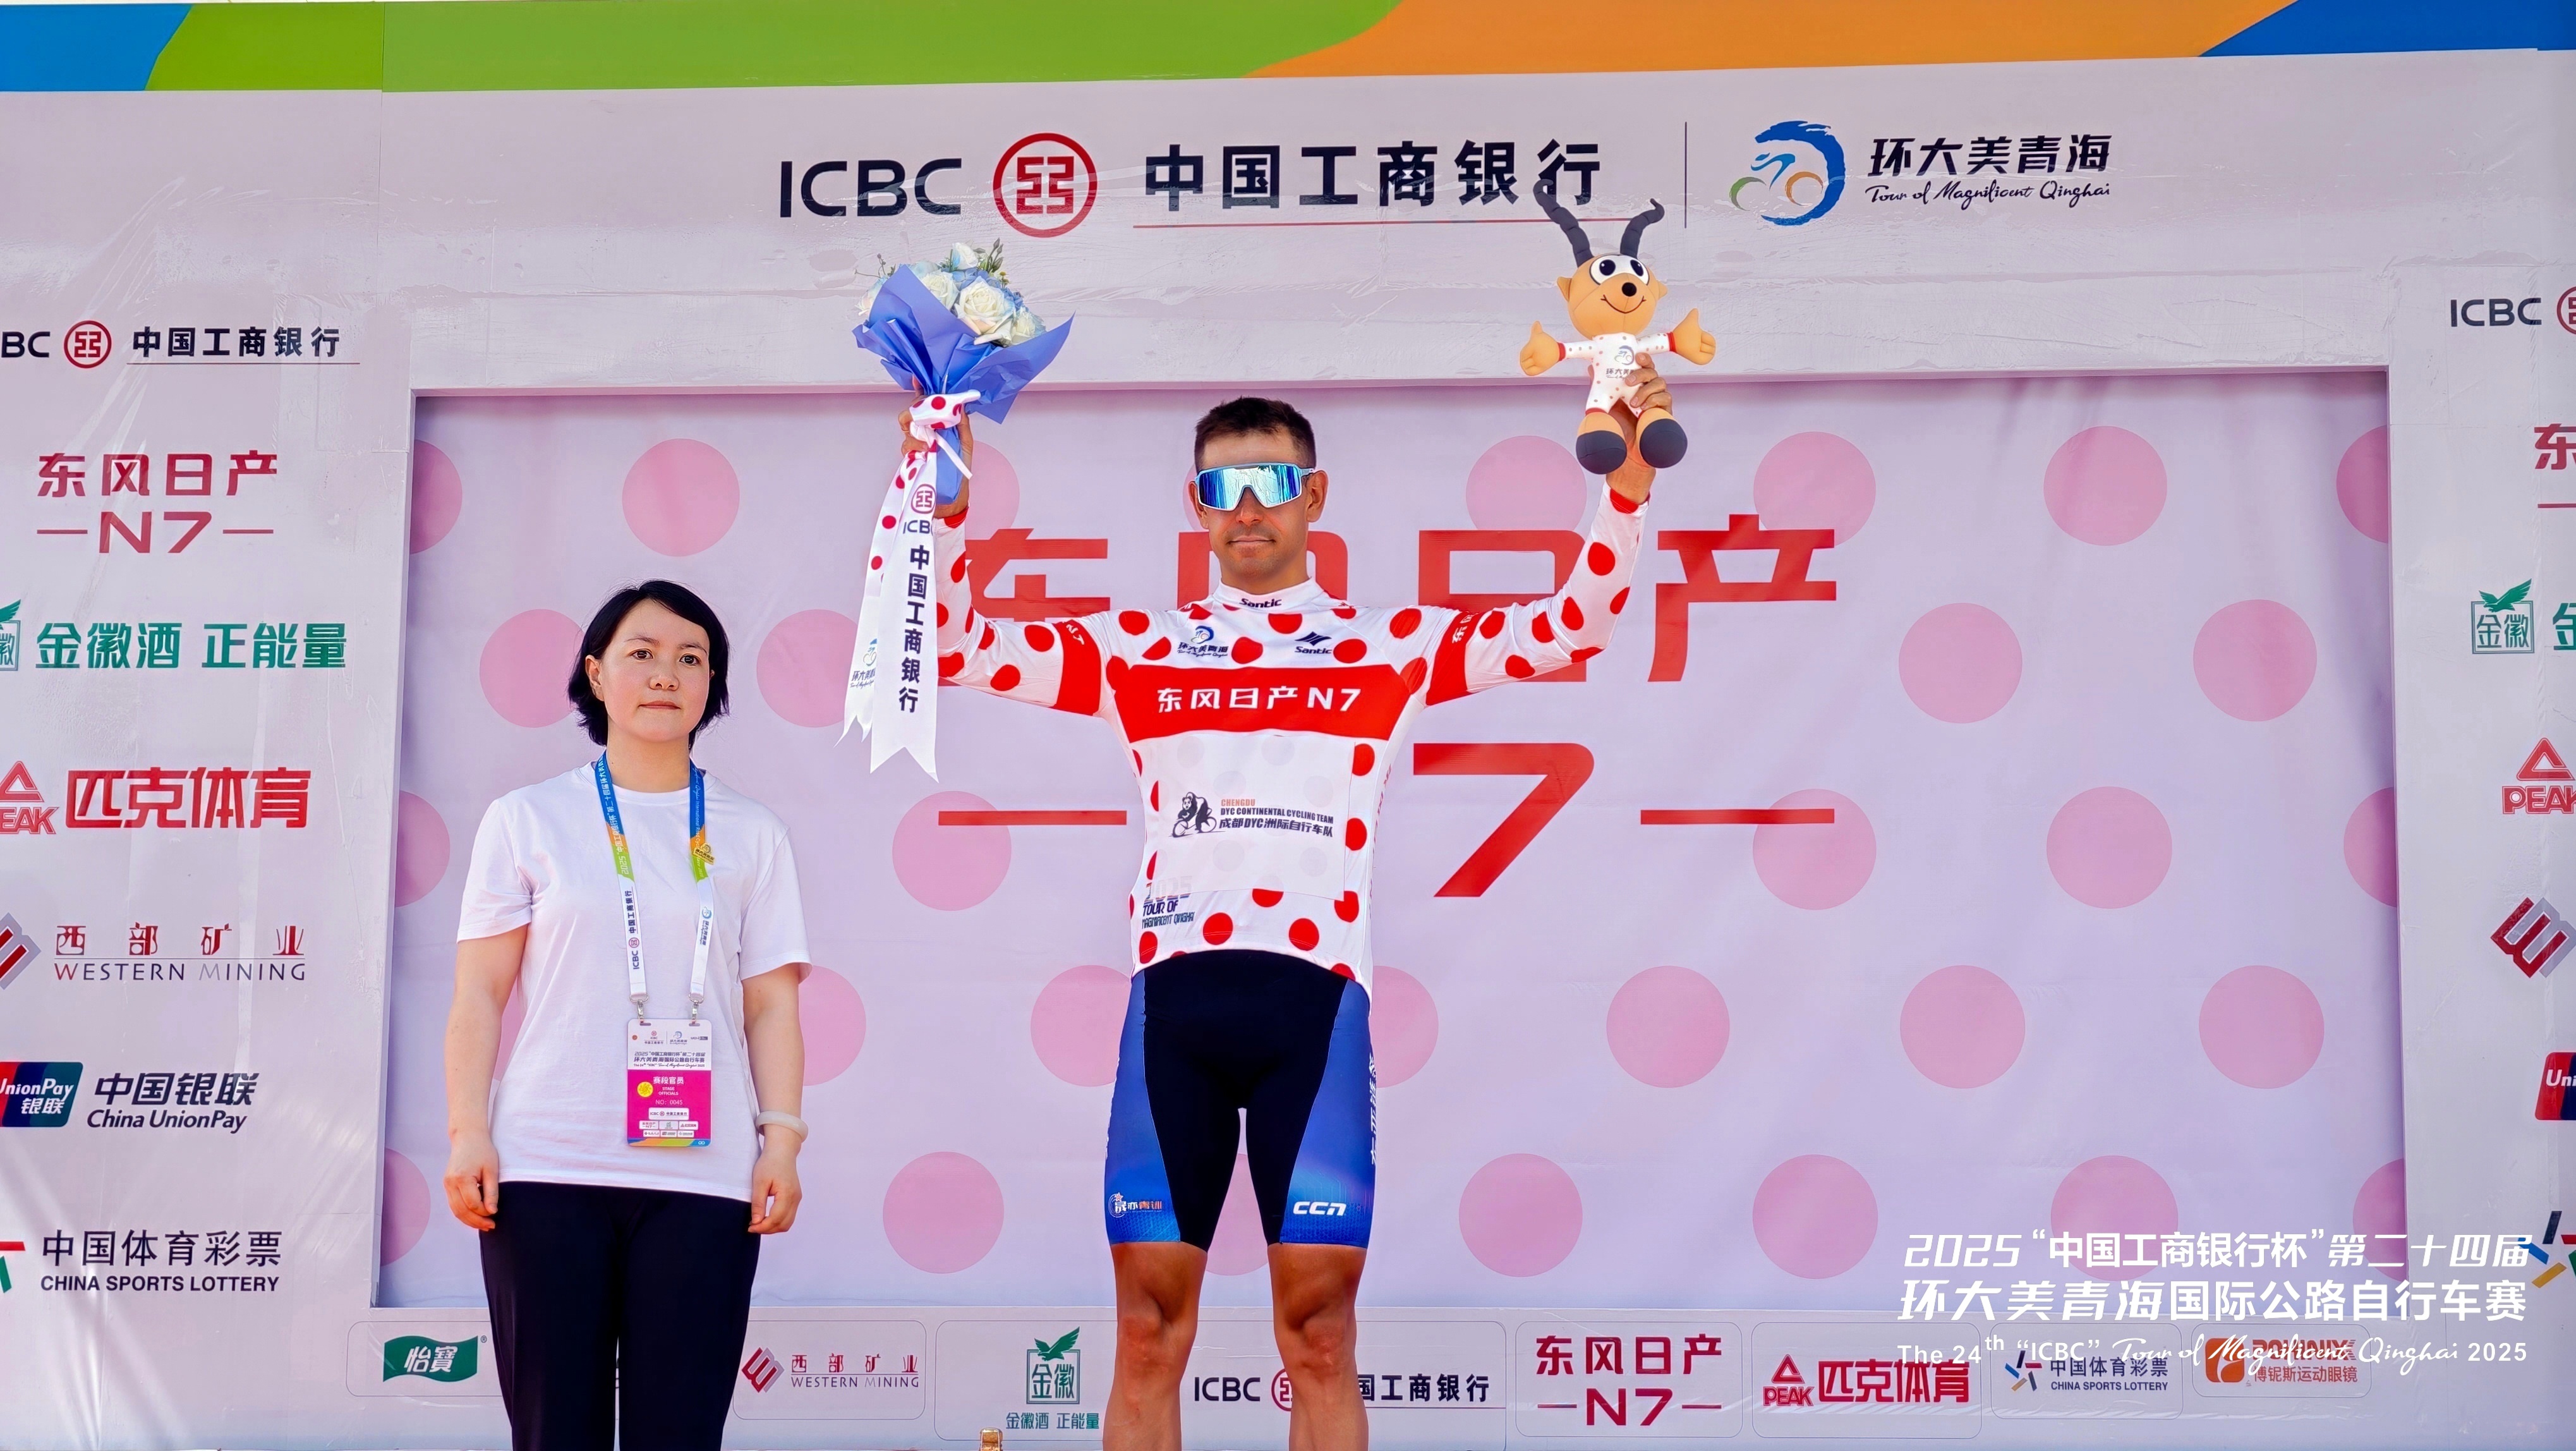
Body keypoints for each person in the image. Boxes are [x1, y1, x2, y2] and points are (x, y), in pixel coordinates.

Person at [903, 364, 1675, 1450]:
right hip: (1173, 1014)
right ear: (1195, 507)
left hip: (1314, 1012)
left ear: (1314, 497)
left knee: (1317, 1336)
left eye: (1269, 483)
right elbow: (950, 645)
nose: (1246, 509)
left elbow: (1571, 629)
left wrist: (1627, 491)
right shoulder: (1135, 648)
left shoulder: (1390, 646)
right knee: (1145, 1333)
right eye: (1220, 489)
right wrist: (939, 500)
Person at [442, 580, 814, 1451]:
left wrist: (783, 1141)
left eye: (691, 659)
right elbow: (479, 993)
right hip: (544, 1167)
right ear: (596, 675)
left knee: (679, 1434)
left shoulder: (753, 832)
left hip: (703, 1179)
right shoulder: (527, 819)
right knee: (554, 1433)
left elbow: (771, 1005)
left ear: (712, 686)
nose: (665, 675)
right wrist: (468, 1131)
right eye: (641, 654)